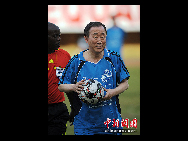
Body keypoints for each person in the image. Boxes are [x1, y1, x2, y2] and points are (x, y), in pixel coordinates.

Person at [58, 22, 130, 135]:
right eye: (95, 36)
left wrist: (112, 92)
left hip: (111, 122)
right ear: (86, 39)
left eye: (103, 36)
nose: (100, 40)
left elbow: (125, 83)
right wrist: (74, 86)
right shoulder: (76, 61)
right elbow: (61, 86)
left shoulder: (114, 58)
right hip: (84, 124)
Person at [48, 22, 71, 135]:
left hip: (57, 109)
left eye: (59, 35)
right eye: (55, 36)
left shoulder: (65, 55)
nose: (59, 39)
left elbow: (70, 82)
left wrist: (75, 107)